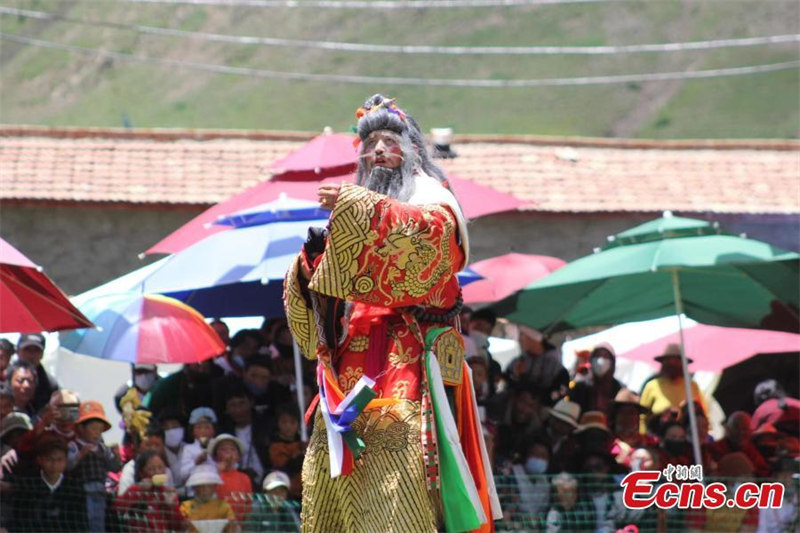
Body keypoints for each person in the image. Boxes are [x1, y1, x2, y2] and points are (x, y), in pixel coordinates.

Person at [284, 94, 499, 532]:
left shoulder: (434, 203)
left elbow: (424, 248)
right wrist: (312, 259)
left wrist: (357, 207)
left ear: (414, 149)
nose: (378, 149)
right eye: (370, 143)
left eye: (389, 140)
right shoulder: (357, 211)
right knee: (335, 465)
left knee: (397, 470)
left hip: (409, 360)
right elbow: (328, 299)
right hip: (350, 365)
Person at [10, 436, 87, 532]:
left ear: (66, 461)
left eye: (59, 460)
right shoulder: (26, 485)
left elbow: (80, 523)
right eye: (49, 459)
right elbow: (19, 521)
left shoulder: (75, 488)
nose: (54, 465)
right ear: (40, 460)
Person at [67, 400, 121, 533]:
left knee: (98, 520)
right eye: (93, 429)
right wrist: (80, 455)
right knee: (86, 520)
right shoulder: (74, 446)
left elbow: (114, 467)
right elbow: (68, 466)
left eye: (100, 430)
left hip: (100, 490)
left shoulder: (102, 449)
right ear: (81, 428)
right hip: (82, 492)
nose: (97, 433)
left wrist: (117, 456)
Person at [114, 449, 186, 532]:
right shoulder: (136, 490)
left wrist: (172, 506)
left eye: (160, 467)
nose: (157, 472)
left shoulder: (167, 493)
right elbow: (118, 508)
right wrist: (138, 489)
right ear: (141, 473)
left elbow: (178, 527)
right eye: (151, 469)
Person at [507, 325, 569, 406]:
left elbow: (554, 396)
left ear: (533, 339)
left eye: (523, 335)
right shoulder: (517, 362)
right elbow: (508, 387)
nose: (520, 339)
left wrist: (523, 378)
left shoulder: (557, 369)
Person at [220, 385, 269, 486]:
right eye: (232, 405)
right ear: (227, 409)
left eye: (241, 404)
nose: (238, 410)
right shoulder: (224, 433)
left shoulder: (266, 427)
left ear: (251, 402)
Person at [640, 343, 706, 416]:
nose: (673, 364)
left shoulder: (692, 387)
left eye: (677, 361)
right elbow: (642, 417)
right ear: (664, 363)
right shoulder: (652, 386)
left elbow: (703, 414)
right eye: (669, 361)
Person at [144, 360, 220, 421]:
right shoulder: (169, 385)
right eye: (197, 362)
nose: (201, 365)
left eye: (205, 361)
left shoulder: (216, 381)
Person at [117, 421, 176, 495]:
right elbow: (123, 500)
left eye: (157, 445)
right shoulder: (130, 469)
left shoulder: (166, 471)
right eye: (148, 445)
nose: (153, 449)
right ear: (138, 446)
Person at [706, 411, 770, 477]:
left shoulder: (751, 450)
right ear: (728, 429)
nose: (741, 432)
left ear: (750, 431)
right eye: (736, 428)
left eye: (744, 429)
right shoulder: (714, 448)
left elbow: (763, 472)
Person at [568, 343, 624, 415]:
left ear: (612, 362)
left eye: (605, 356)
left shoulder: (619, 390)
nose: (600, 361)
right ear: (591, 360)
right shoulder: (580, 388)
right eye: (597, 356)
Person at [180, 463, 237, 532]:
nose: (204, 489)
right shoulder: (185, 507)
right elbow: (179, 529)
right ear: (194, 488)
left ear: (214, 487)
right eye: (200, 486)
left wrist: (233, 525)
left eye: (208, 486)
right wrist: (183, 526)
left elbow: (233, 528)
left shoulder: (224, 506)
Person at [608, 389, 657, 467]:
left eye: (631, 413)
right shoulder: (608, 445)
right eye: (622, 412)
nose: (627, 418)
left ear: (638, 417)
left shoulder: (652, 443)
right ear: (615, 416)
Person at [209, 433, 253, 521]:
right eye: (223, 449)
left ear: (238, 457)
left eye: (232, 449)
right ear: (215, 456)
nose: (228, 452)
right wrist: (217, 473)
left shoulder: (244, 478)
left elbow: (248, 507)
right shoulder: (210, 475)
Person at [15, 333, 59, 412]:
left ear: (42, 354)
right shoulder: (4, 376)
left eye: (36, 350)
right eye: (27, 349)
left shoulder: (49, 384)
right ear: (18, 351)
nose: (31, 354)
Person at [268, 405, 303, 499]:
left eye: (292, 422)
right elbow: (285, 467)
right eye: (284, 422)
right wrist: (300, 457)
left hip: (306, 489)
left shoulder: (303, 442)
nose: (288, 426)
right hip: (289, 492)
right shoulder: (275, 446)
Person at [179, 406, 218, 485]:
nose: (203, 431)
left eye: (207, 427)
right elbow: (183, 475)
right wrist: (196, 462)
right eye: (199, 428)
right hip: (194, 490)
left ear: (213, 430)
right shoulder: (189, 449)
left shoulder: (219, 445)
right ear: (193, 431)